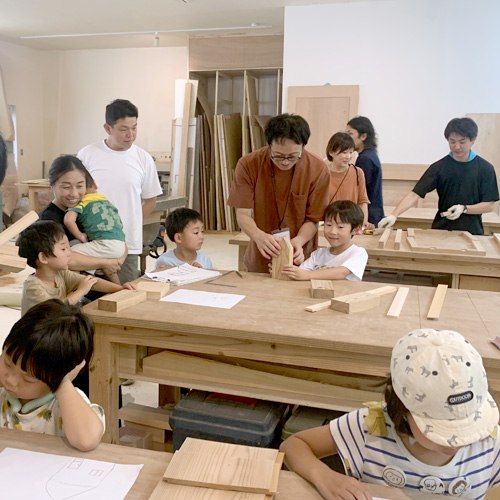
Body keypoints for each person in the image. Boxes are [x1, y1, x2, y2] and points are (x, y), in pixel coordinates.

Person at [280, 328, 500, 500]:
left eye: (469, 426)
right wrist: (324, 476)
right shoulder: (370, 429)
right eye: (443, 432)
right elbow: (293, 445)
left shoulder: (490, 444)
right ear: (402, 408)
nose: (459, 442)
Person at [227, 113, 330, 273]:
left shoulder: (318, 169)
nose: (285, 162)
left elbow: (313, 219)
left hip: (300, 257)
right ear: (269, 144)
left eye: (293, 156)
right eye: (279, 156)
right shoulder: (248, 165)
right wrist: (258, 236)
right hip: (261, 253)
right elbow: (243, 214)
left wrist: (299, 241)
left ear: (303, 146)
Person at [0, 299, 105, 451]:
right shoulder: (3, 392)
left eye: (28, 378)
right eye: (8, 364)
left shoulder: (65, 403)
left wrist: (61, 382)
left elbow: (86, 441)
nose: (10, 380)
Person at [78, 99, 163, 284]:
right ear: (108, 128)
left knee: (124, 293)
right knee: (86, 291)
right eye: (124, 129)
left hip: (127, 244)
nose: (130, 134)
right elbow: (77, 197)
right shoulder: (87, 155)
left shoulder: (144, 159)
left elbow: (150, 201)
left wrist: (125, 226)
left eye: (134, 127)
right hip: (91, 242)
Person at [379, 117, 499, 235]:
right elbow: (415, 194)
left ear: (473, 140)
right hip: (441, 230)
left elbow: (489, 205)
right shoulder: (439, 167)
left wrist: (464, 208)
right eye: (452, 142)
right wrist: (394, 215)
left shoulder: (485, 168)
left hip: (472, 232)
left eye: (462, 142)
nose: (457, 146)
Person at [17, 220, 136, 315]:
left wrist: (121, 289)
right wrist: (81, 291)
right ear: (43, 258)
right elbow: (54, 310)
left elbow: (92, 282)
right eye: (63, 249)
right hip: (37, 337)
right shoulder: (33, 287)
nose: (69, 253)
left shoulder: (60, 274)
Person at [39, 155, 125, 276]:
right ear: (52, 186)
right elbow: (65, 259)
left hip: (100, 281)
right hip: (73, 285)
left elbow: (118, 239)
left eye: (80, 186)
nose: (74, 194)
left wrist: (116, 262)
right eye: (66, 187)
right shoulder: (47, 220)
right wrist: (104, 263)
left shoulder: (89, 207)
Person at [281, 200, 367, 281]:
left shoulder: (358, 253)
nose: (333, 231)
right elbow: (300, 273)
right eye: (328, 225)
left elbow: (341, 273)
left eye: (340, 227)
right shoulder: (318, 254)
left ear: (355, 230)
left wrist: (308, 275)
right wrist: (290, 267)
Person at [64, 182, 126, 284]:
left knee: (69, 255)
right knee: (106, 262)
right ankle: (119, 288)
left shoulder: (83, 201)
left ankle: (77, 290)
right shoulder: (106, 201)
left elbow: (68, 220)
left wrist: (80, 236)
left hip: (105, 244)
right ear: (95, 185)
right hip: (121, 245)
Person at [324, 132, 372, 229]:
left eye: (351, 152)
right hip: (329, 225)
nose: (348, 156)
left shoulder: (357, 172)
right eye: (344, 152)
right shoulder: (322, 173)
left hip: (351, 226)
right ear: (331, 152)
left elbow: (363, 201)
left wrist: (362, 223)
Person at [346, 116, 384, 226]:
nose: (347, 138)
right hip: (374, 214)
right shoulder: (370, 154)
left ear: (363, 136)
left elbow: (360, 192)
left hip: (368, 218)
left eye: (350, 134)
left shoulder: (365, 159)